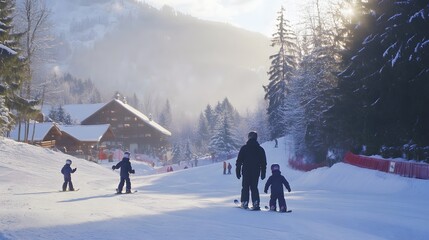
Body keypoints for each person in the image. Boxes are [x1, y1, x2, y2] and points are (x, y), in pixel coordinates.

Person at [236, 131, 267, 210]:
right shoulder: (260, 149)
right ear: (256, 138)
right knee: (254, 187)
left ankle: (245, 202)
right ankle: (256, 202)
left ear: (249, 137)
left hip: (246, 171)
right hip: (256, 171)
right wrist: (263, 173)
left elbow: (239, 161)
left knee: (245, 187)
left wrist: (238, 171)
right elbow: (263, 163)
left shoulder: (244, 148)